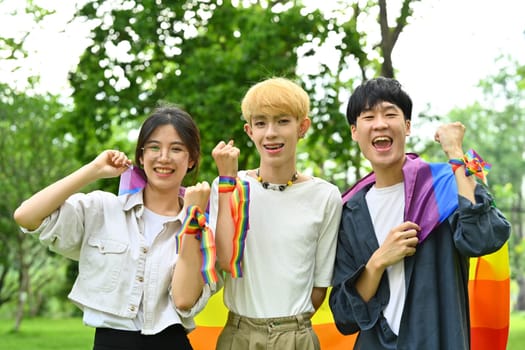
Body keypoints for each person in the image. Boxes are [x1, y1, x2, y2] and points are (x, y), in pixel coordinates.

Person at [13, 106, 219, 350]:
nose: (163, 157)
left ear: (192, 159)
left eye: (176, 149)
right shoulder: (103, 209)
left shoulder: (203, 225)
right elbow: (26, 216)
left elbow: (185, 301)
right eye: (154, 147)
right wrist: (94, 170)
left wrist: (193, 219)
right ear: (141, 156)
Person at [328, 77, 511, 349]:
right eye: (368, 116)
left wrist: (456, 153)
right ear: (355, 131)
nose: (380, 123)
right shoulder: (349, 211)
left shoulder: (445, 185)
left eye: (390, 114)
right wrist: (378, 262)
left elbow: (482, 238)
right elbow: (344, 316)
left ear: (407, 126)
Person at [209, 77, 343, 350]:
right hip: (239, 334)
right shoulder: (230, 186)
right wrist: (226, 182)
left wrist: (290, 331)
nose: (270, 133)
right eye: (261, 123)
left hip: (297, 334)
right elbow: (224, 261)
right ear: (249, 131)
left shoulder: (326, 196)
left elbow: (320, 285)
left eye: (282, 121)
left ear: (302, 127)